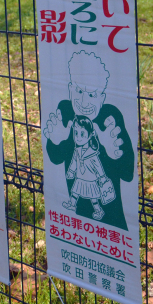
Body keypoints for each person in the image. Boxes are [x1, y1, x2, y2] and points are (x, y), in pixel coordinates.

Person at [43, 50, 134, 230]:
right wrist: (56, 140)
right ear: (70, 89)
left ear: (102, 97)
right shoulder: (65, 109)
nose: (83, 101)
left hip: (110, 220)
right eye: (78, 90)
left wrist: (112, 154)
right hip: (71, 218)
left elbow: (128, 173)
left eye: (92, 94)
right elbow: (54, 158)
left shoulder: (111, 117)